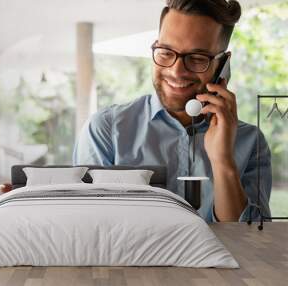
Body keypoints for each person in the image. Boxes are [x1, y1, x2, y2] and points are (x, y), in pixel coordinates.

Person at [73, 0, 271, 222]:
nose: (176, 71)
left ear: (223, 64)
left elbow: (249, 243)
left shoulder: (251, 143)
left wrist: (223, 161)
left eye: (197, 58)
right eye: (166, 52)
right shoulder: (106, 130)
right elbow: (88, 229)